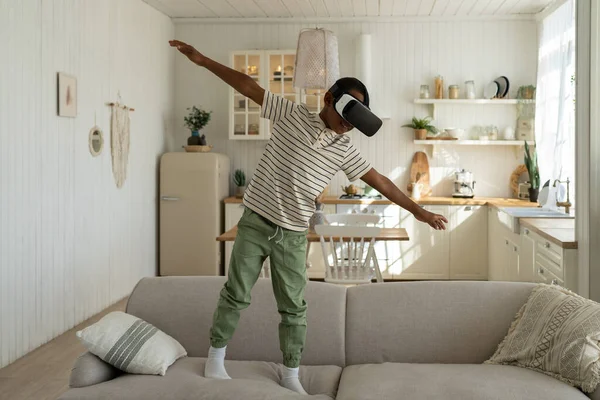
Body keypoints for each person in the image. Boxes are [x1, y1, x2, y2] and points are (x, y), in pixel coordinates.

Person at [169, 39, 448, 395]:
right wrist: (203, 59)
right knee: (236, 293)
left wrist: (419, 211)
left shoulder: (344, 149)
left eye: (359, 116)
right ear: (330, 99)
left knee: (294, 308)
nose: (350, 124)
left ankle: (290, 374)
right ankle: (215, 359)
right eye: (350, 111)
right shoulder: (291, 114)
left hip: (292, 235)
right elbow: (248, 85)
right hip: (255, 222)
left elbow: (381, 183)